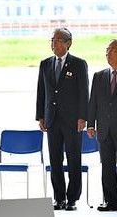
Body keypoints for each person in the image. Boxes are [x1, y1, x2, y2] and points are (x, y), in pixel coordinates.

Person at [36, 27, 89, 211]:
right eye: (52, 40)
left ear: (68, 43)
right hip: (52, 120)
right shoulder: (45, 64)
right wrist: (40, 116)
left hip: (73, 121)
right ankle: (59, 198)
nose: (54, 44)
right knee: (55, 160)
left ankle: (72, 198)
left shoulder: (78, 64)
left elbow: (84, 92)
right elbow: (41, 92)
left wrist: (83, 117)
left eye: (58, 40)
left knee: (74, 159)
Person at [87, 39, 117, 212]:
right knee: (106, 167)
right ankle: (111, 202)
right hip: (104, 131)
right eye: (106, 50)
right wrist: (90, 125)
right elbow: (93, 103)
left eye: (111, 50)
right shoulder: (99, 76)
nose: (107, 53)